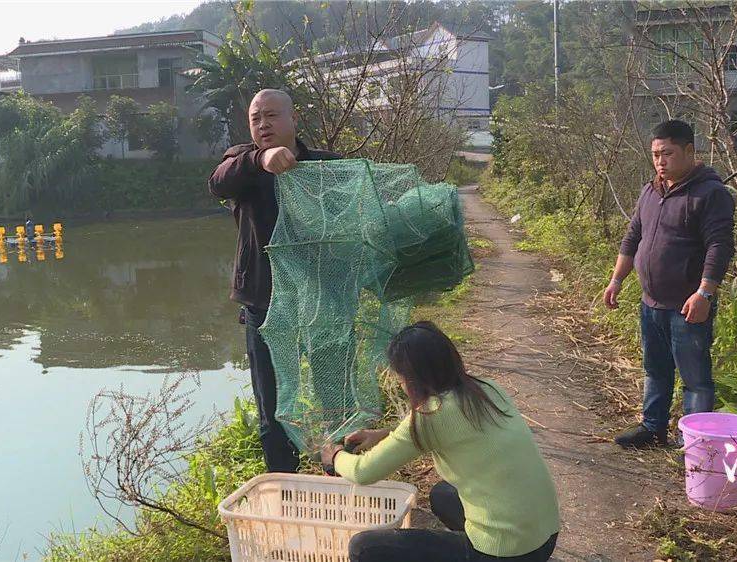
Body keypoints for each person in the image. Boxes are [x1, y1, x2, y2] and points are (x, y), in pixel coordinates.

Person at [321, 321, 560, 562]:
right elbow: (445, 429)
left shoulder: (430, 416)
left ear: (411, 380)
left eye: (401, 379)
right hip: (544, 536)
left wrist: (335, 456)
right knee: (442, 494)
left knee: (363, 548)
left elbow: (363, 472)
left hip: (504, 552)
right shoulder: (485, 389)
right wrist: (384, 435)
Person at [208, 89, 341, 472]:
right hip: (264, 305)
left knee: (335, 399)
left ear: (293, 119)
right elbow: (218, 182)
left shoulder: (324, 166)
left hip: (323, 301)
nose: (263, 124)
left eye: (271, 116)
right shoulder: (242, 165)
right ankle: (285, 487)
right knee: (274, 406)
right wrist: (260, 158)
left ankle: (343, 477)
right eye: (255, 118)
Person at [604, 120, 736, 448]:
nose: (660, 161)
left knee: (695, 379)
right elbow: (633, 236)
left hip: (687, 305)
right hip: (651, 303)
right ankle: (653, 427)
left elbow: (719, 246)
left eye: (668, 154)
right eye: (655, 154)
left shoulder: (710, 193)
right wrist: (616, 279)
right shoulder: (651, 191)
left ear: (690, 151)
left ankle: (693, 443)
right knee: (656, 369)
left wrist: (705, 293)